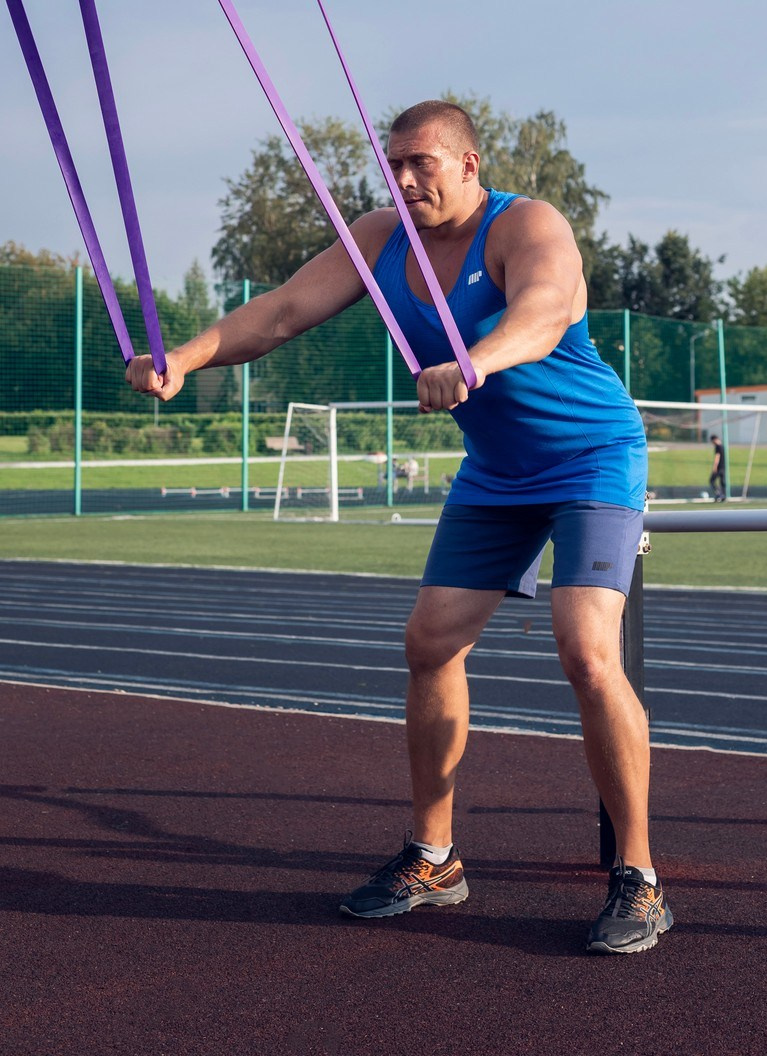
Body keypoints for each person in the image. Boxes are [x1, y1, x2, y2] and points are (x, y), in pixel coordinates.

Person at [126, 100, 672, 955]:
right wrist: (182, 360)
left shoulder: (525, 223)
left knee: (586, 651)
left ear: (468, 164)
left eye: (422, 163)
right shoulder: (381, 236)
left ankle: (637, 877)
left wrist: (473, 362)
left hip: (591, 458)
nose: (405, 179)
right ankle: (434, 858)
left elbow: (545, 310)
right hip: (496, 472)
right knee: (429, 643)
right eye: (394, 165)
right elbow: (280, 311)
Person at [709, 432, 726, 502]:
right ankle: (723, 495)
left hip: (719, 467)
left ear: (714, 440)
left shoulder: (717, 447)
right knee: (722, 482)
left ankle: (719, 494)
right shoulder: (722, 446)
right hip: (723, 467)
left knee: (712, 480)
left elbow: (717, 457)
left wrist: (715, 466)